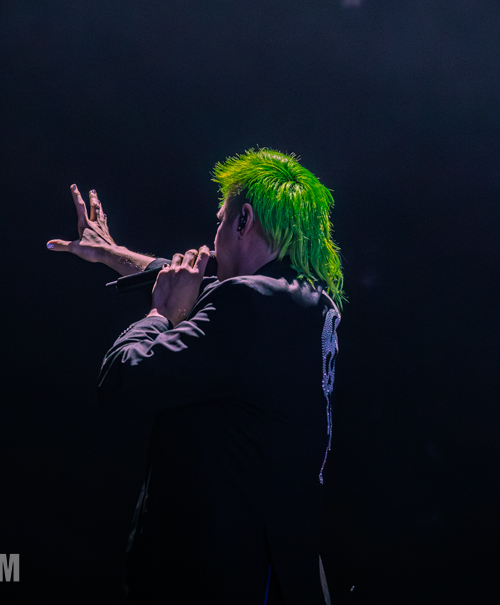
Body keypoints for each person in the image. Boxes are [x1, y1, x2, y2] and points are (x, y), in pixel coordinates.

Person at [48, 148, 344, 604]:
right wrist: (113, 254)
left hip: (221, 581)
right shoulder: (304, 302)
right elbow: (196, 285)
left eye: (221, 220)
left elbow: (121, 382)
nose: (216, 234)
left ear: (244, 221)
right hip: (281, 575)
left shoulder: (249, 305)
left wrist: (161, 314)